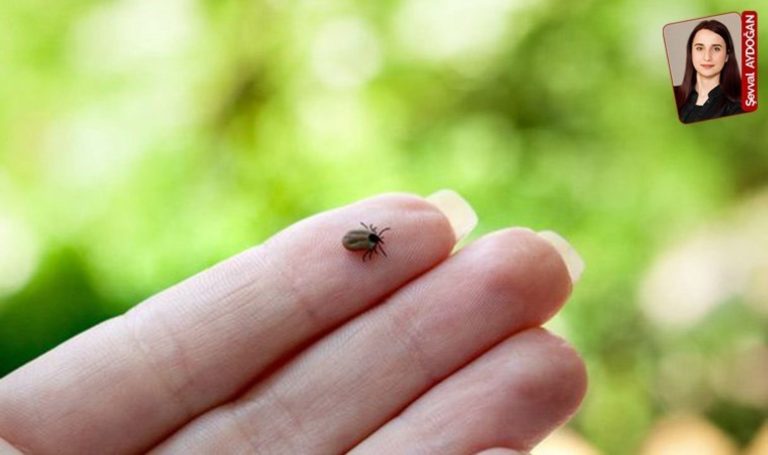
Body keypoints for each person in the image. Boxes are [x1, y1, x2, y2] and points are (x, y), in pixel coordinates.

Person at [0, 190, 586, 454]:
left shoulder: (365, 243)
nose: (373, 241)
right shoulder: (367, 244)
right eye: (374, 240)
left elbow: (357, 241)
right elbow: (359, 243)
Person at [675, 20, 743, 123]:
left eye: (716, 49)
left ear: (727, 56)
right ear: (691, 53)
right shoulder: (672, 97)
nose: (707, 57)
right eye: (699, 48)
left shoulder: (738, 108)